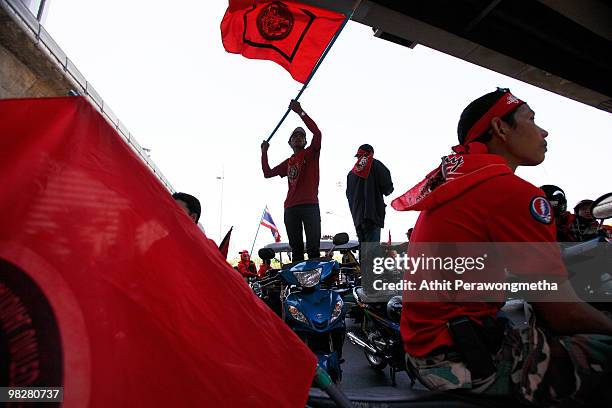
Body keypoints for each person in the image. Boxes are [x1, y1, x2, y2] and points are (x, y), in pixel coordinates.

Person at [392, 88, 612, 406]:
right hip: (466, 360)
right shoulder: (512, 192)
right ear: (500, 128)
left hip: (427, 350)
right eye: (532, 119)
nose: (543, 130)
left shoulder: (458, 182)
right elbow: (561, 311)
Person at [261, 99, 322, 262]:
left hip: (310, 204)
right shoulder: (288, 162)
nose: (298, 137)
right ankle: (299, 286)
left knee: (313, 250)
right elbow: (267, 173)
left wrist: (300, 111)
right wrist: (264, 152)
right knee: (296, 251)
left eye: (302, 136)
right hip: (291, 207)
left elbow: (317, 133)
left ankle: (314, 285)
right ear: (290, 142)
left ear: (306, 141)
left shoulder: (311, 153)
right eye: (295, 135)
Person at [346, 144, 394, 246]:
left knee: (363, 256)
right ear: (371, 153)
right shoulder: (376, 165)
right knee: (372, 256)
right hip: (372, 217)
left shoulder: (351, 174)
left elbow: (348, 196)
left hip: (358, 220)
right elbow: (388, 188)